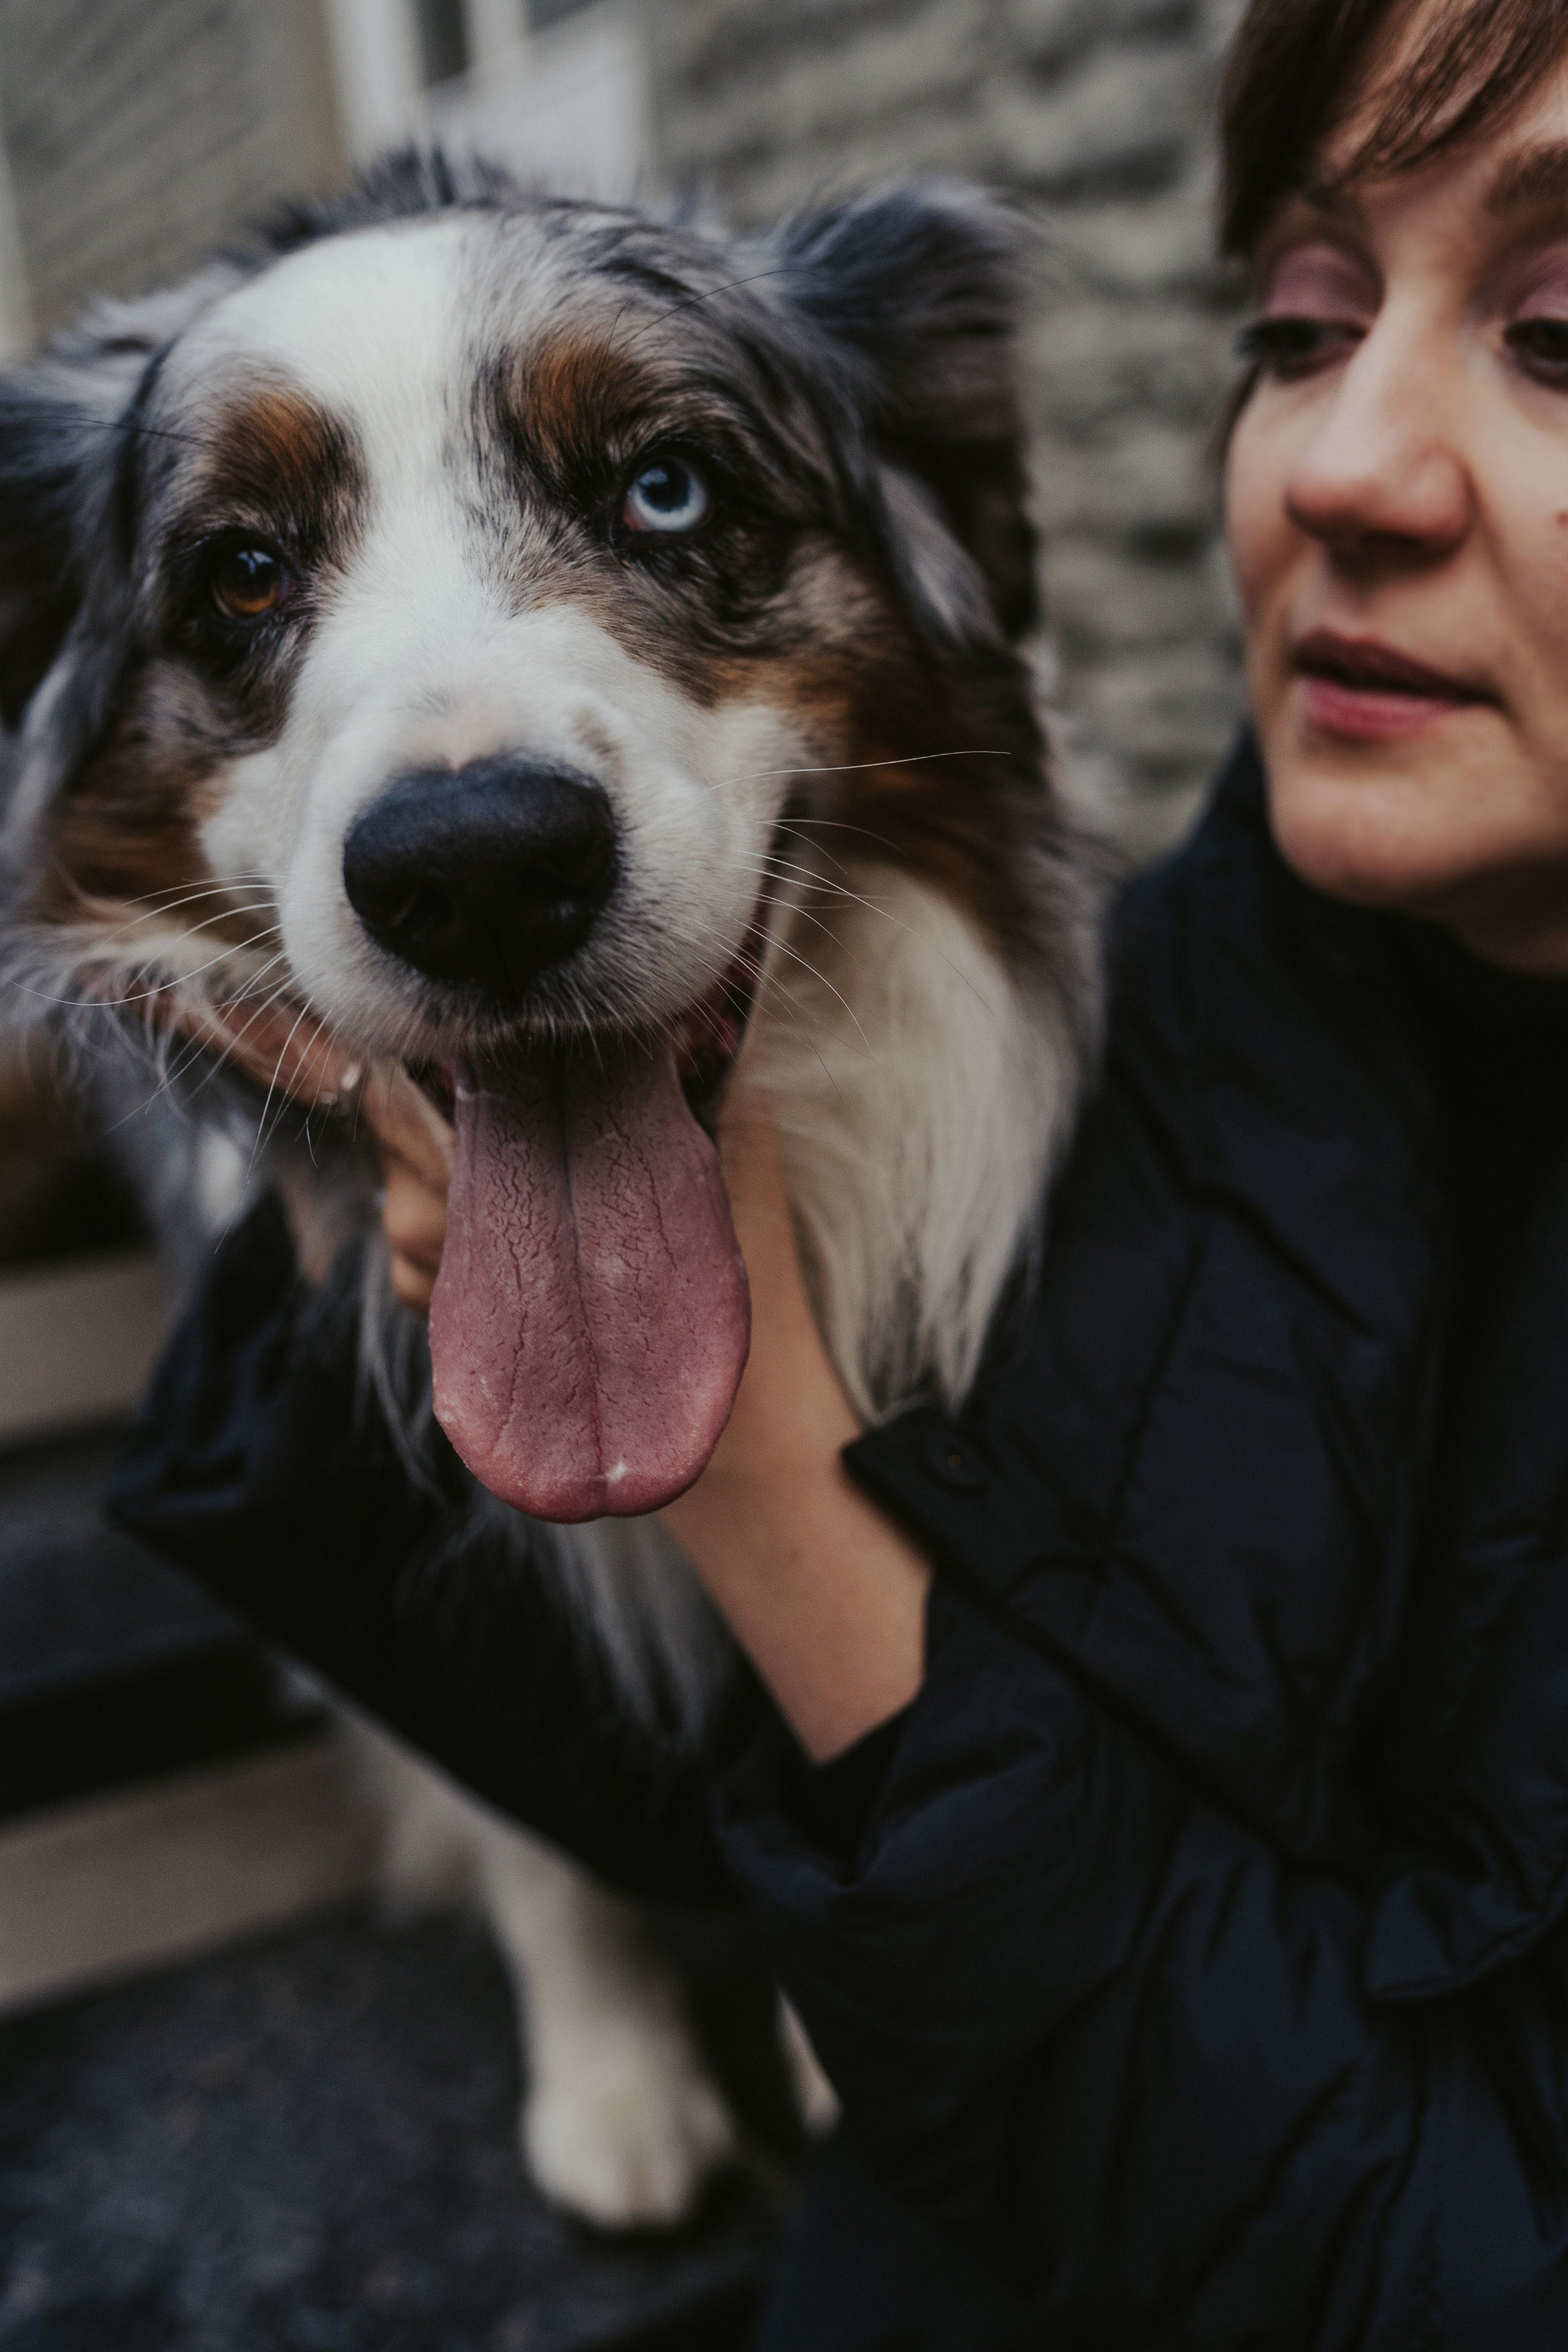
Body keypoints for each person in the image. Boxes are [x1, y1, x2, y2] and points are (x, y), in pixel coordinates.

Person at [107, 0, 1568, 2339]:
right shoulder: (1236, 981)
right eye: (1300, 323)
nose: (1343, 465)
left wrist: (774, 1483)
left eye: (1562, 331)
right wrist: (303, 1206)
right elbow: (726, 1757)